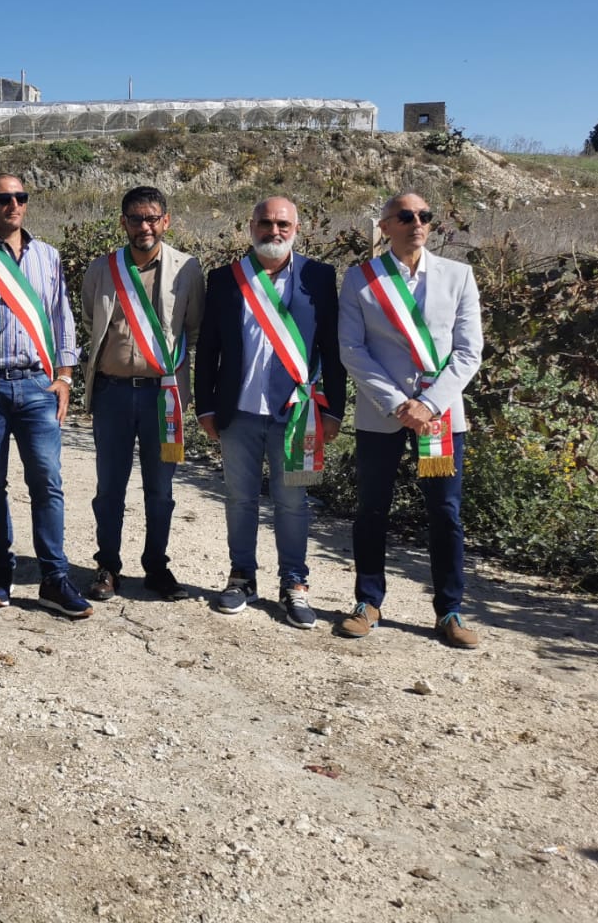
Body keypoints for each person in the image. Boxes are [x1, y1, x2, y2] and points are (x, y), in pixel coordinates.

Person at [336, 192, 484, 648]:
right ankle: (368, 600)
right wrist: (399, 402)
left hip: (439, 419)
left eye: (425, 214)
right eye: (406, 216)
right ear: (385, 226)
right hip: (383, 415)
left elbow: (468, 351)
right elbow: (352, 349)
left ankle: (450, 610)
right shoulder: (360, 279)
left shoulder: (458, 276)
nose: (417, 222)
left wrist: (430, 404)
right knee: (372, 509)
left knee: (445, 511)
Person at [195, 197, 345, 629]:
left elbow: (331, 350)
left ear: (297, 227)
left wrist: (333, 410)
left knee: (293, 502)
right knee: (240, 499)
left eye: (283, 224)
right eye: (265, 223)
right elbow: (208, 350)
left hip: (298, 415)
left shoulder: (318, 277)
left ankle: (294, 582)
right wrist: (205, 405)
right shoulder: (224, 278)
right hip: (238, 413)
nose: (273, 232)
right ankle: (242, 576)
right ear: (251, 226)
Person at [0, 174, 90, 618]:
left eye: (20, 198)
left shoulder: (48, 255)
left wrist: (65, 376)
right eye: (3, 199)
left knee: (47, 482)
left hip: (37, 385)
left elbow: (61, 317)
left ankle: (53, 576)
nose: (13, 205)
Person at [79, 186, 205, 602]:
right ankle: (107, 565)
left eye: (152, 218)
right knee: (109, 487)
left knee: (161, 489)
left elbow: (194, 330)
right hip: (113, 395)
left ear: (166, 221)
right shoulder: (101, 269)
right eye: (135, 219)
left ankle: (156, 566)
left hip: (163, 399)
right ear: (123, 223)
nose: (144, 226)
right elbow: (90, 318)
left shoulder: (188, 270)